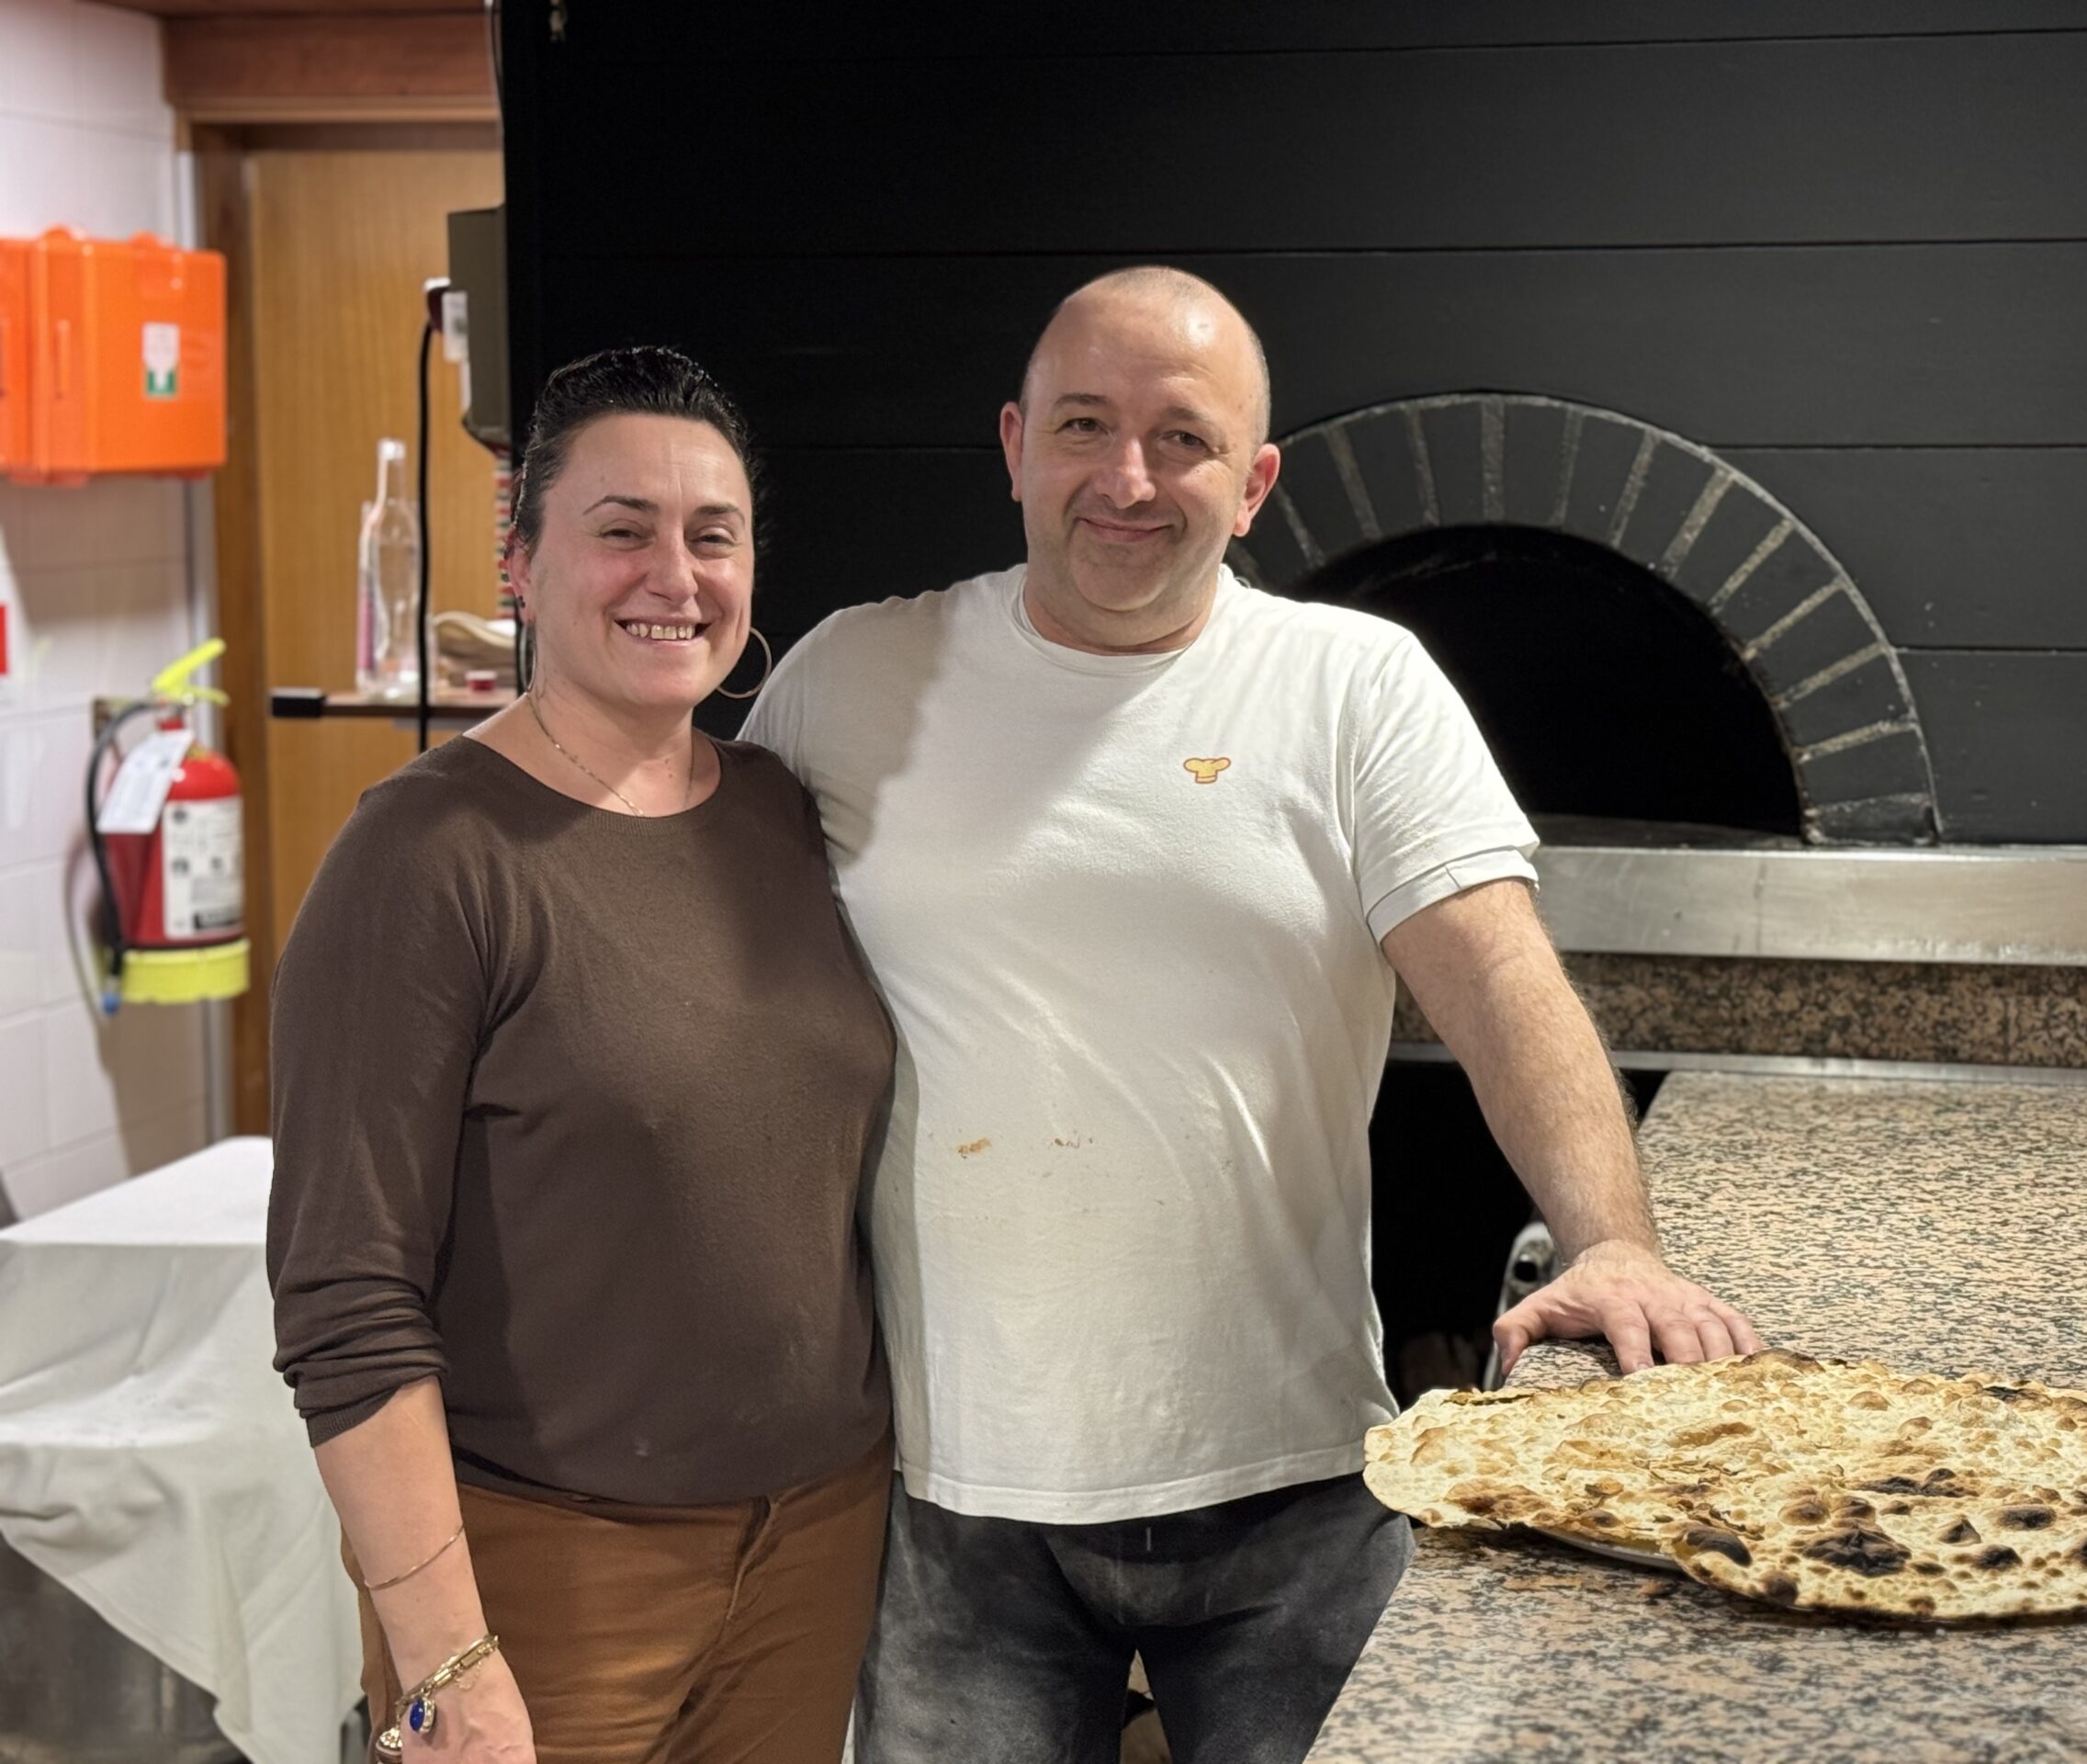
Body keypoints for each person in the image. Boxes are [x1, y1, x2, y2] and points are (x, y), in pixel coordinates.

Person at [738, 266, 1763, 1763]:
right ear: (1015, 444)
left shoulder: (1354, 686)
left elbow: (1502, 984)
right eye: (1084, 426)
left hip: (1296, 1478)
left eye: (1184, 438)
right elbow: (718, 976)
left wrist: (1612, 1240)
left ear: (1256, 482)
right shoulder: (851, 681)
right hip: (954, 1495)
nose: (1128, 479)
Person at [268, 346, 896, 1764]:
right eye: (623, 531)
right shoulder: (425, 856)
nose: (674, 575)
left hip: (815, 1546)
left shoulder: (784, 813)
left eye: (713, 536)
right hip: (542, 1573)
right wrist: (446, 1655)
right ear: (522, 563)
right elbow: (343, 1296)